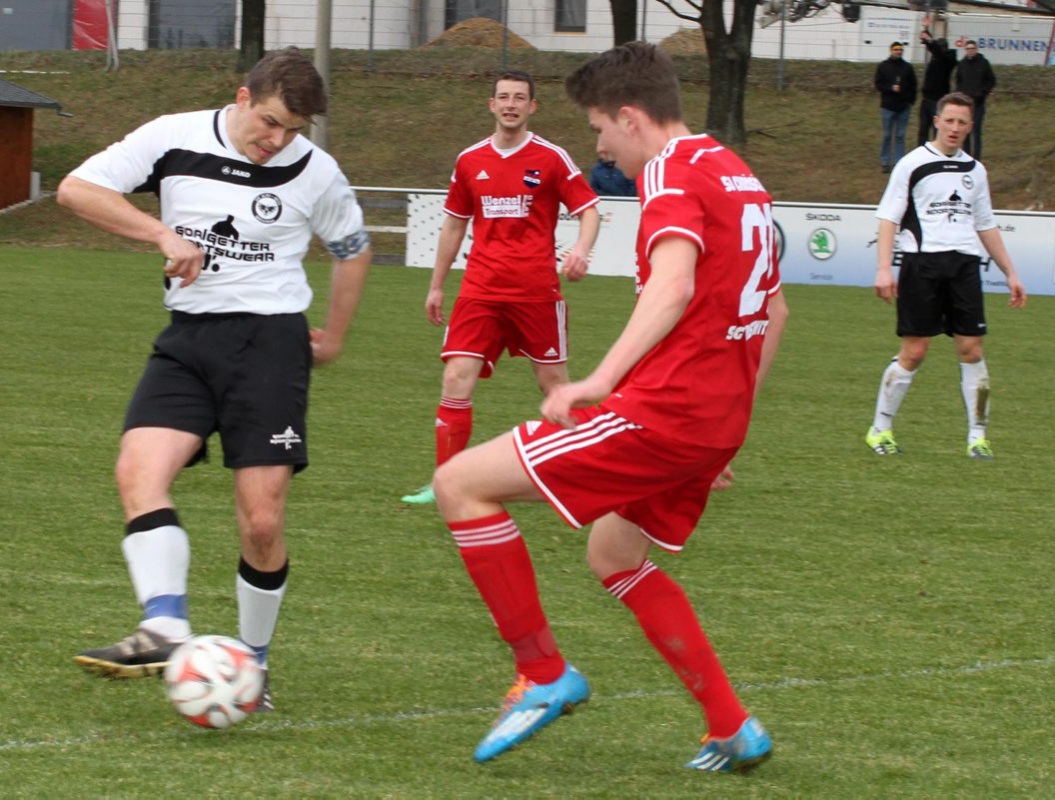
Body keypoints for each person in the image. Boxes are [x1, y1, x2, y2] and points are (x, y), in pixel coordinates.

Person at [432, 42, 788, 772]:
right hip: (716, 417)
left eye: (598, 127)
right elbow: (774, 310)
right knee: (613, 550)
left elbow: (672, 284)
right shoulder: (735, 172)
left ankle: (542, 671)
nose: (597, 145)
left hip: (665, 410)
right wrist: (729, 432)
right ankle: (730, 725)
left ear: (630, 117)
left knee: (459, 485)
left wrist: (598, 378)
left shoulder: (670, 174)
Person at [57, 47, 373, 708]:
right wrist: (160, 234)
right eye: (267, 121)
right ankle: (166, 625)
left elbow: (352, 249)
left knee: (260, 522)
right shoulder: (172, 137)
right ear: (240, 96)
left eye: (291, 129)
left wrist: (335, 337)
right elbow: (76, 189)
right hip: (190, 339)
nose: (276, 140)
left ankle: (250, 665)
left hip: (271, 343)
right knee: (137, 473)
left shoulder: (317, 172)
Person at [400, 69, 600, 505]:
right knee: (455, 378)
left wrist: (581, 250)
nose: (511, 104)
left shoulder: (551, 158)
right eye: (503, 97)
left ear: (532, 107)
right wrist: (437, 286)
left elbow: (589, 209)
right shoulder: (470, 160)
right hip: (480, 291)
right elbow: (453, 225)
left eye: (519, 98)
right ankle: (444, 483)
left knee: (555, 388)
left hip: (536, 293)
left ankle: (584, 476)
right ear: (491, 105)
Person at [866, 92, 1025, 459]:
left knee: (972, 349)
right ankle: (880, 429)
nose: (954, 128)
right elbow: (888, 217)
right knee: (915, 350)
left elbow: (985, 224)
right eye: (949, 120)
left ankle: (977, 437)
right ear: (936, 121)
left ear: (971, 127)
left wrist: (1011, 272)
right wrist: (883, 268)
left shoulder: (975, 170)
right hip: (922, 265)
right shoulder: (913, 164)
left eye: (962, 122)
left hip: (965, 266)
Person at [874, 41, 917, 172]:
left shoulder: (907, 67)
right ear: (891, 50)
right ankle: (885, 162)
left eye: (900, 50)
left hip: (903, 107)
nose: (898, 51)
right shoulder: (883, 66)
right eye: (896, 49)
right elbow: (878, 85)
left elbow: (914, 85)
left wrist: (910, 101)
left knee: (900, 135)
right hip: (888, 107)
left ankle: (899, 162)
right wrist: (890, 88)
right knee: (887, 135)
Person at [954, 40, 996, 159]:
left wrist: (983, 92)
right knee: (965, 131)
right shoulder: (962, 64)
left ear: (976, 49)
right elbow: (958, 81)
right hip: (965, 105)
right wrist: (960, 93)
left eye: (972, 48)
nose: (970, 51)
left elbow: (992, 80)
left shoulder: (983, 63)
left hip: (978, 104)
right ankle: (965, 156)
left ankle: (977, 158)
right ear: (965, 50)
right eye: (968, 49)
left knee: (976, 130)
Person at [916, 30, 957, 146]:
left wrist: (929, 41)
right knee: (923, 129)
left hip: (938, 100)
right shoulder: (936, 59)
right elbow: (935, 50)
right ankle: (921, 152)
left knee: (937, 129)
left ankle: (938, 151)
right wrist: (926, 34)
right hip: (926, 99)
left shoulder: (948, 60)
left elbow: (938, 52)